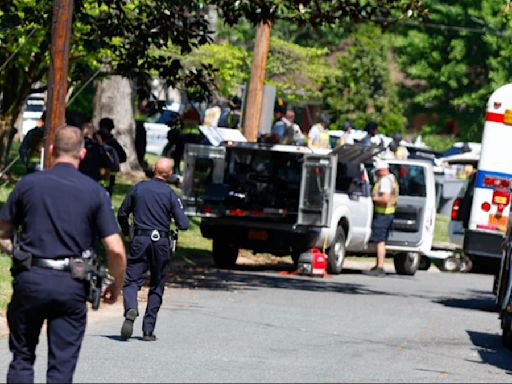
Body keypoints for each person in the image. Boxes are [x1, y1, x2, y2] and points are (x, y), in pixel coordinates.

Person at [0, 126, 127, 383]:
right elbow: (115, 248)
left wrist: (18, 253)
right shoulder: (95, 192)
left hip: (31, 280)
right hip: (72, 284)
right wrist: (117, 284)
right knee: (62, 367)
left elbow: (3, 233)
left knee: (22, 358)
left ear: (51, 150)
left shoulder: (28, 185)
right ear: (82, 154)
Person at [117, 157, 190, 341]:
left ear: (153, 169)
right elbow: (184, 224)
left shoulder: (138, 188)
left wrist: (127, 232)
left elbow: (122, 213)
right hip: (161, 243)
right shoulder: (170, 194)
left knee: (132, 280)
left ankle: (131, 308)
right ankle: (148, 331)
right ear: (170, 174)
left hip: (140, 239)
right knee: (157, 283)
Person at [364, 159, 399, 277]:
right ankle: (378, 265)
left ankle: (380, 267)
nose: (376, 174)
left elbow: (385, 198)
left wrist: (372, 198)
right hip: (388, 214)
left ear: (382, 170)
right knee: (381, 240)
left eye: (377, 171)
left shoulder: (384, 181)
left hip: (383, 214)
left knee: (380, 241)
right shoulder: (391, 178)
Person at [99, 117, 127, 195]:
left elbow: (123, 157)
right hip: (108, 176)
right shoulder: (113, 143)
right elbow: (123, 157)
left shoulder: (94, 140)